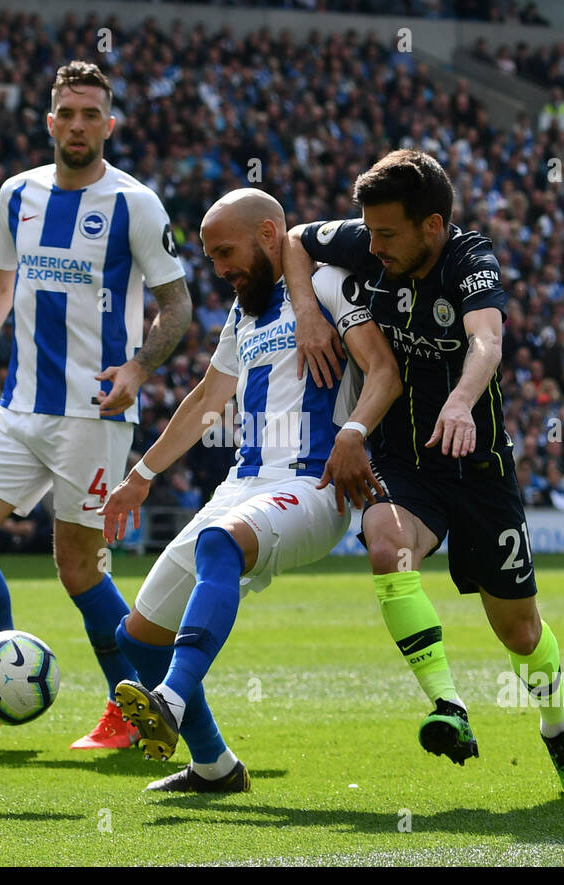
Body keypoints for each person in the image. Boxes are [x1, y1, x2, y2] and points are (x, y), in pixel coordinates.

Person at [287, 149, 564, 794]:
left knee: (520, 631)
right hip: (406, 464)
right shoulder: (367, 240)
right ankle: (448, 706)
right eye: (367, 231)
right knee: (386, 546)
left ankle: (558, 729)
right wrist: (306, 311)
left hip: (480, 470)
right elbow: (295, 239)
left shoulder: (469, 262)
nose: (372, 247)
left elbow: (486, 339)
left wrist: (460, 400)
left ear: (432, 225)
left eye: (387, 234)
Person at [0, 62, 194, 752]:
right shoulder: (17, 194)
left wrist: (138, 366)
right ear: (50, 122)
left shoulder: (135, 204)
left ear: (109, 124)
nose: (78, 125)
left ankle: (128, 708)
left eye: (90, 114)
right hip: (18, 407)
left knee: (80, 570)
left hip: (92, 415)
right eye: (66, 113)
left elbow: (177, 304)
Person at [100, 189, 400, 791]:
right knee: (137, 632)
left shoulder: (332, 287)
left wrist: (355, 434)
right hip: (243, 483)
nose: (219, 270)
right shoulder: (244, 314)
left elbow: (384, 370)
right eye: (210, 258)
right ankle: (215, 766)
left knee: (220, 544)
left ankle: (171, 700)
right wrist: (140, 477)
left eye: (225, 253)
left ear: (269, 235)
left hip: (313, 483)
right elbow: (208, 400)